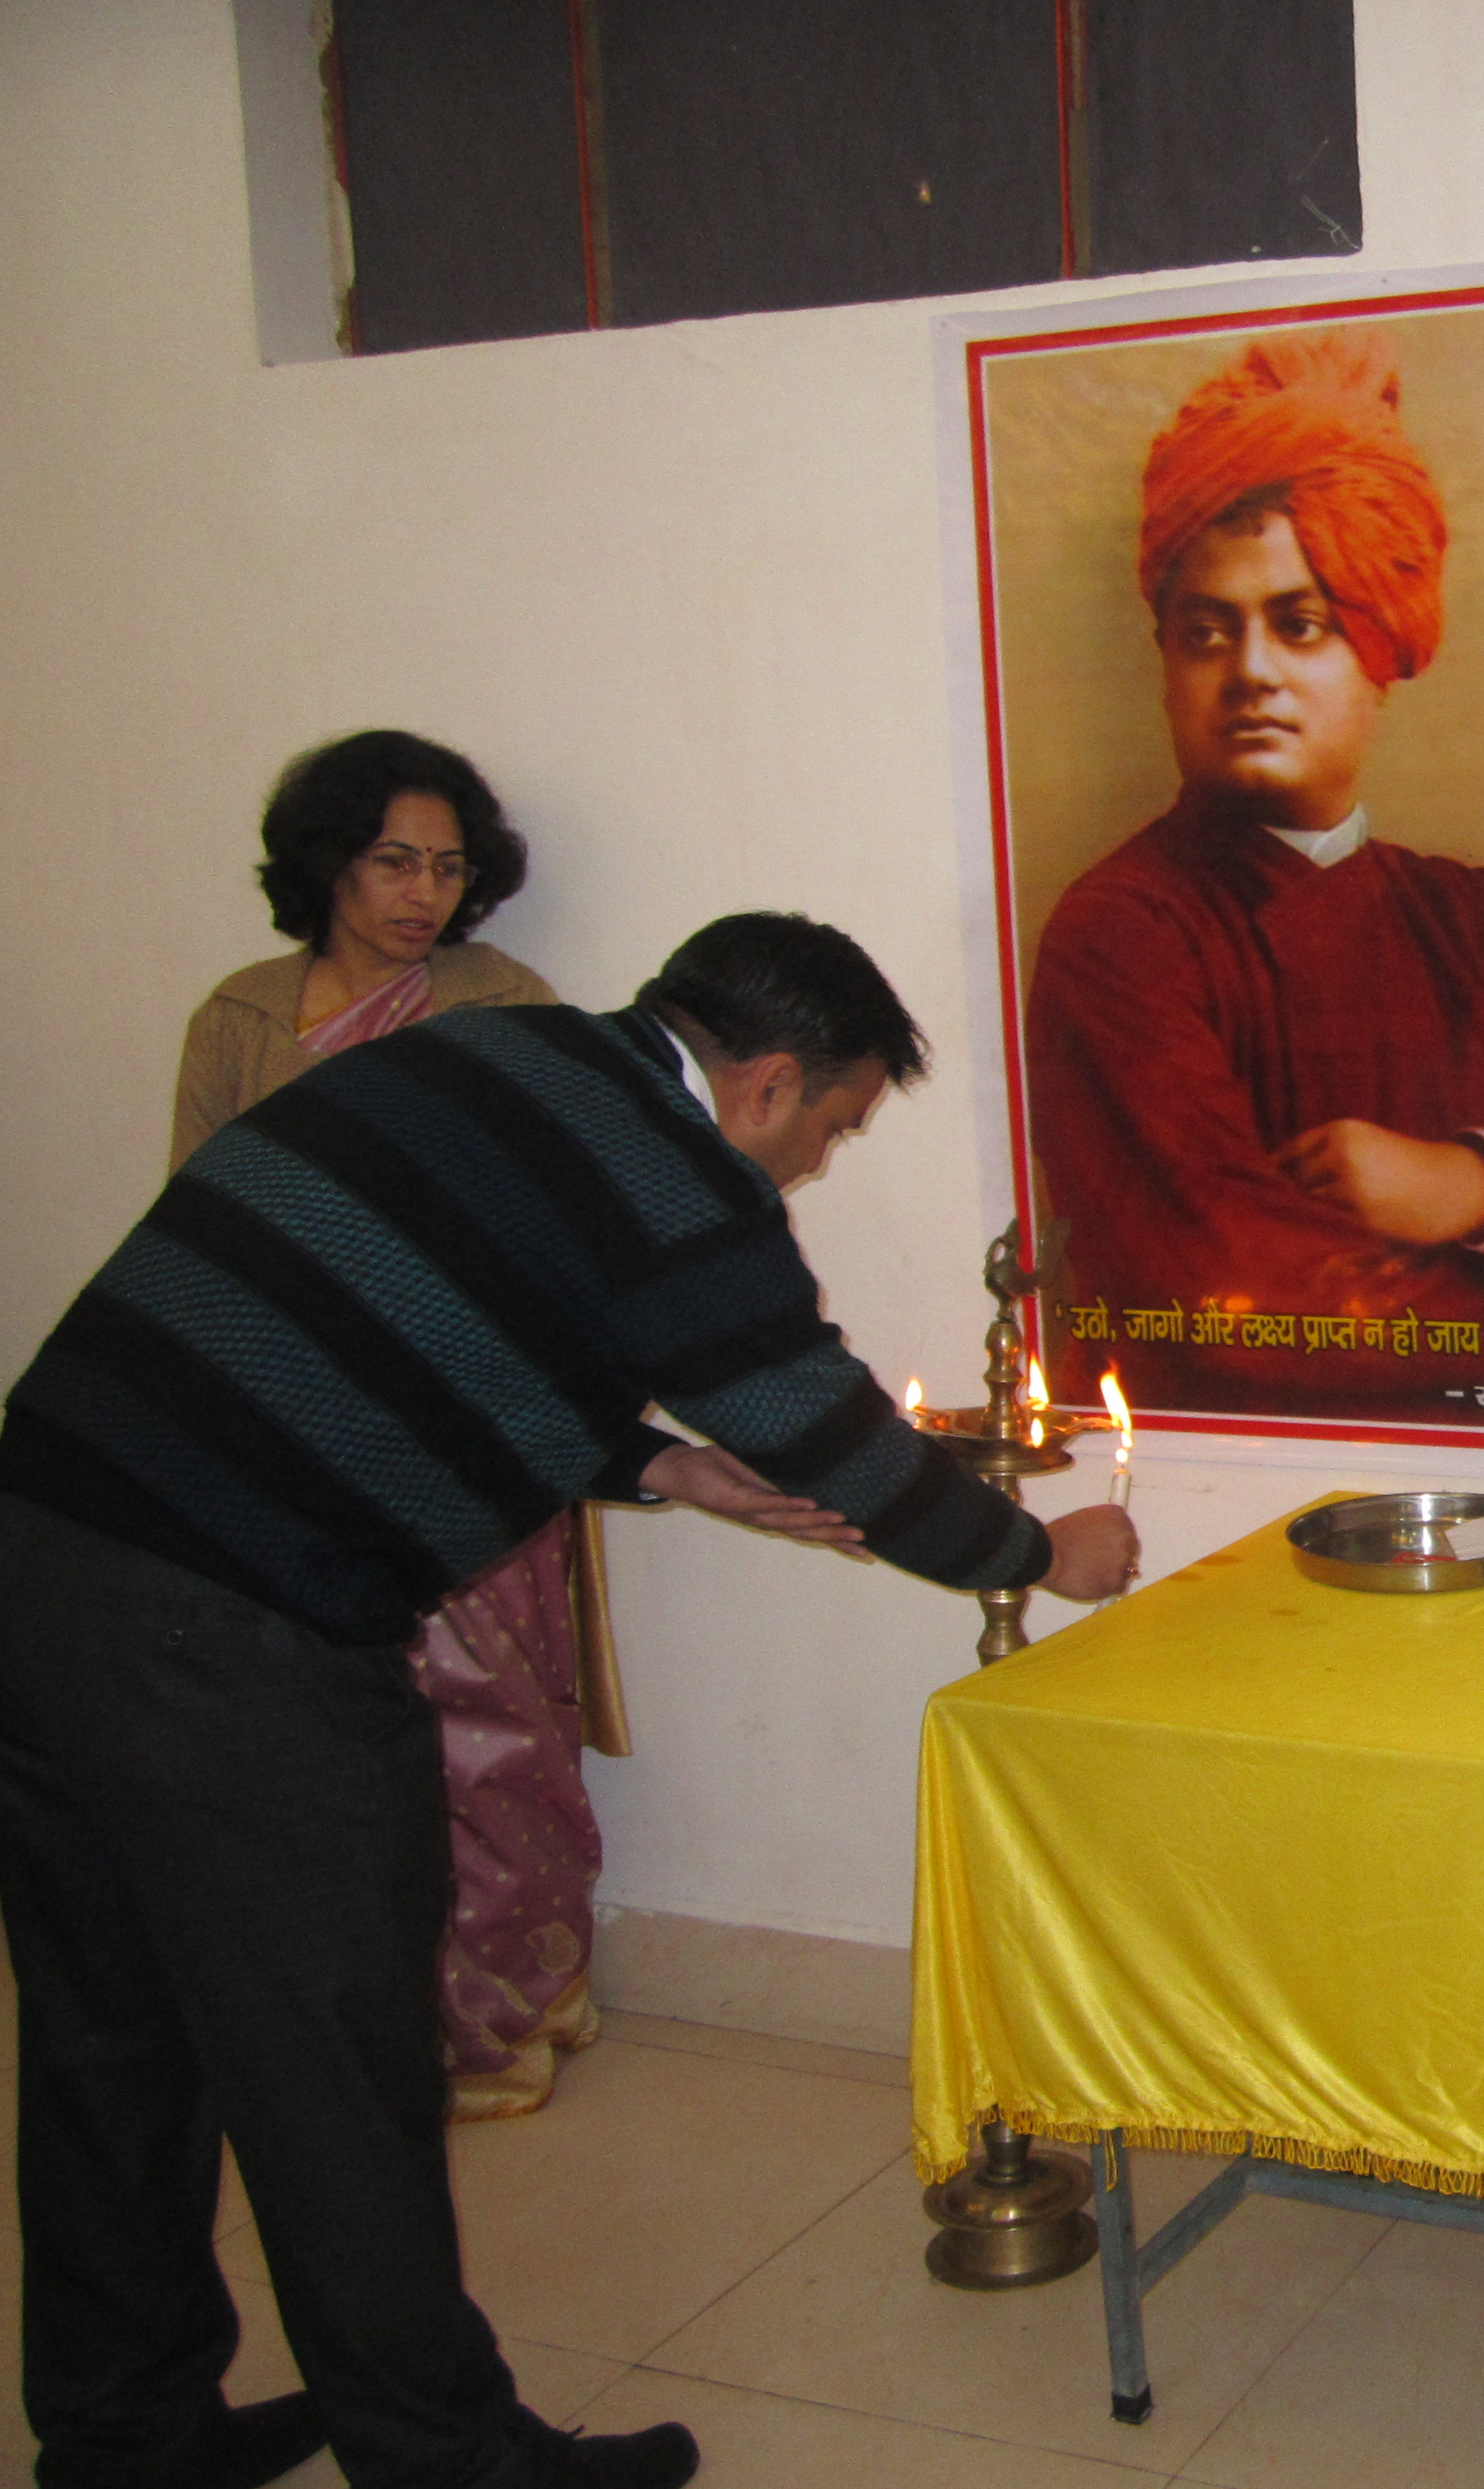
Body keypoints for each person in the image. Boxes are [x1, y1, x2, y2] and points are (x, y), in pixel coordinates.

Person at [0, 912, 1139, 2489]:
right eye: (832, 1126)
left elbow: (442, 1315)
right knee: (337, 2068)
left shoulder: (496, 1061)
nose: (816, 1163)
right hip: (238, 1635)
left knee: (107, 2035)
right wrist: (1041, 1552)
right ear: (764, 1082)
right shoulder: (678, 1182)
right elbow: (822, 1422)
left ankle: (124, 2437)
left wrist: (659, 1464)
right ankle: (450, 2461)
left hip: (46, 1551)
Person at [1024, 328, 1484, 1421]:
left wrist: (1475, 1187)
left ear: (1380, 653)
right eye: (1206, 632)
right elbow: (1243, 1296)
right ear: (1165, 663)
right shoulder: (1120, 936)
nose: (1252, 672)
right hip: (1228, 1478)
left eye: (1302, 625)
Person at [172, 729, 605, 2126]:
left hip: (476, 1418)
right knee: (343, 1730)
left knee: (492, 1725)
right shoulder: (242, 1019)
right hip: (300, 1427)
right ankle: (392, 2001)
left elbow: (565, 1202)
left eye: (448, 869)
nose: (424, 894)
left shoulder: (503, 1002)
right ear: (328, 865)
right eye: (393, 863)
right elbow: (197, 1229)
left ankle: (514, 2002)